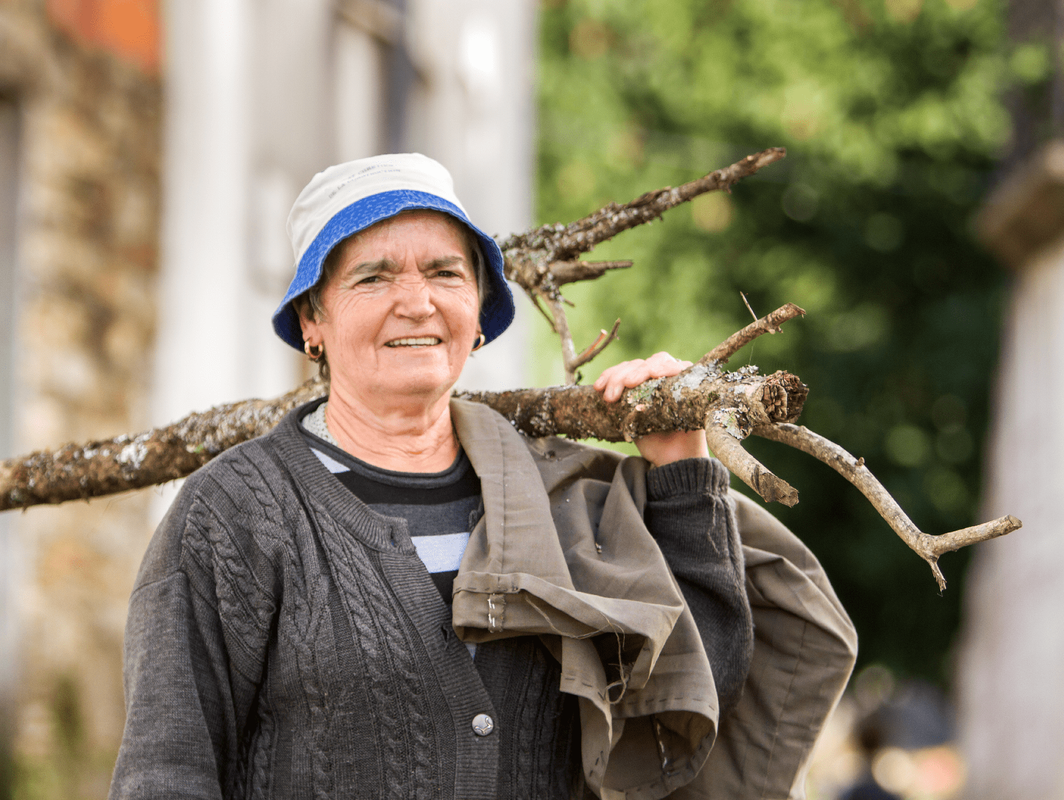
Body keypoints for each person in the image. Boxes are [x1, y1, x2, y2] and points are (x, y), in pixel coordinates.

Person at [109, 154, 857, 799]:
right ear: (313, 319)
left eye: (444, 272)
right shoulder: (234, 515)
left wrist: (681, 471)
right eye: (373, 276)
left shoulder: (562, 498)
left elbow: (695, 692)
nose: (418, 301)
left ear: (476, 313)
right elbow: (166, 769)